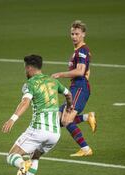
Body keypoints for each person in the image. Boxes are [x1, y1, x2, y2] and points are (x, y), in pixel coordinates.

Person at [2, 54, 73, 175]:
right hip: (55, 134)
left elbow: (25, 102)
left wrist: (12, 119)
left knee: (11, 156)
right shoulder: (53, 81)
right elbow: (68, 94)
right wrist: (70, 107)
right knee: (34, 157)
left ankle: (22, 165)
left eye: (25, 68)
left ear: (29, 68)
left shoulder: (30, 84)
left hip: (38, 130)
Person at [51, 20, 96, 157]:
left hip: (80, 88)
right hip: (76, 87)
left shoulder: (82, 50)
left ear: (83, 34)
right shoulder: (77, 51)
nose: (74, 36)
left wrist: (60, 74)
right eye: (72, 34)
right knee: (57, 119)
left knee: (67, 120)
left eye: (77, 34)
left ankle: (86, 148)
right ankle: (86, 117)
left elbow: (80, 71)